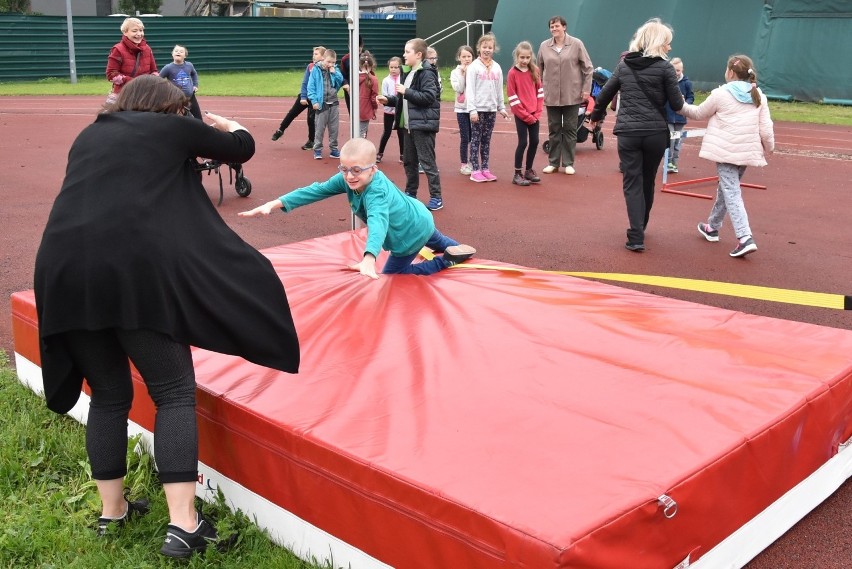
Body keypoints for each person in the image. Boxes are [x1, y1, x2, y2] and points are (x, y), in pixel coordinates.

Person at [33, 75, 300, 558]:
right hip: (131, 272)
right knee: (173, 391)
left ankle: (111, 512)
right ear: (167, 110)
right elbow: (241, 147)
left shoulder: (92, 132)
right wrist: (224, 123)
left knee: (109, 394)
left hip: (63, 270)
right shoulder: (172, 129)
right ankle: (184, 525)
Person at [238, 138, 475, 277]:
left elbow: (378, 222)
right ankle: (458, 251)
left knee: (394, 275)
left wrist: (369, 257)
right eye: (344, 169)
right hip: (420, 218)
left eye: (356, 170)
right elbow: (315, 190)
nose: (349, 176)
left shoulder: (376, 192)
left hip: (409, 234)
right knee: (439, 241)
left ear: (373, 169)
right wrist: (276, 203)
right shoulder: (347, 178)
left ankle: (445, 262)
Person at [588, 18, 684, 252]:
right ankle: (642, 225)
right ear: (658, 43)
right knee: (647, 180)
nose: (670, 48)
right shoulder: (666, 68)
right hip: (655, 133)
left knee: (632, 182)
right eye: (667, 43)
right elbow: (676, 103)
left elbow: (604, 95)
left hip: (629, 132)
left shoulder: (624, 66)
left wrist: (595, 116)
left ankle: (635, 234)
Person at [679, 54, 774, 258]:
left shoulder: (721, 94)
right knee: (727, 188)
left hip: (725, 153)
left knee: (731, 192)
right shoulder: (759, 95)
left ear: (730, 72)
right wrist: (770, 147)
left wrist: (679, 104)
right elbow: (766, 129)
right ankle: (712, 227)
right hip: (746, 152)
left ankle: (744, 237)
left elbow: (698, 113)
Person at [376, 38, 444, 211]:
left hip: (422, 125)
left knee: (427, 162)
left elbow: (429, 97)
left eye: (407, 52)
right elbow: (404, 100)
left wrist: (406, 91)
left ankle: (436, 197)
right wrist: (389, 100)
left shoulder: (427, 73)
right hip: (408, 126)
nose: (404, 55)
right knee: (409, 162)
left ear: (419, 54)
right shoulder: (407, 72)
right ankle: (411, 193)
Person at [537, 15, 593, 175]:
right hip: (552, 94)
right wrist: (540, 89)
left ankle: (568, 163)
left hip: (572, 94)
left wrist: (586, 90)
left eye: (557, 26)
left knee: (570, 128)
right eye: (552, 27)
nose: (554, 29)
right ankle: (553, 163)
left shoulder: (576, 44)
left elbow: (588, 68)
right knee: (554, 128)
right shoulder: (544, 46)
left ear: (564, 27)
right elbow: (539, 69)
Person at [465, 33, 510, 183]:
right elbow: (470, 89)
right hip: (478, 109)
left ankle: (485, 168)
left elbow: (499, 89)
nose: (487, 50)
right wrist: (472, 110)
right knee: (476, 139)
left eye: (490, 47)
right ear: (479, 48)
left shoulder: (496, 67)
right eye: (484, 47)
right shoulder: (473, 67)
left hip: (491, 110)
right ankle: (475, 170)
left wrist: (501, 107)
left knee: (486, 140)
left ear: (494, 49)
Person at [272, 46, 325, 149]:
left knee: (311, 119)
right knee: (292, 113)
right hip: (306, 96)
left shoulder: (325, 69)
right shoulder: (310, 67)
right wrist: (303, 97)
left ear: (323, 57)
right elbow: (305, 83)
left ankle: (311, 141)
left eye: (316, 54)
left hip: (316, 99)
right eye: (313, 54)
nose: (313, 56)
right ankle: (280, 130)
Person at [507, 41, 544, 186]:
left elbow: (540, 92)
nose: (524, 61)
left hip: (534, 114)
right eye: (522, 57)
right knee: (523, 142)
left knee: (535, 141)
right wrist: (526, 116)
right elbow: (512, 97)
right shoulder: (512, 73)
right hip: (522, 115)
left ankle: (529, 170)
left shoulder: (535, 70)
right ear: (517, 56)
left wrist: (537, 112)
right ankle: (517, 173)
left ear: (531, 57)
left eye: (527, 58)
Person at [105, 17, 158, 107]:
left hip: (144, 95)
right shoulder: (117, 49)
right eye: (134, 31)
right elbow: (111, 74)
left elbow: (154, 71)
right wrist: (135, 82)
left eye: (141, 30)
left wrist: (151, 82)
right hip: (124, 96)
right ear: (125, 32)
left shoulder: (147, 49)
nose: (139, 34)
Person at [307, 48, 344, 160]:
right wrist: (314, 101)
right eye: (329, 62)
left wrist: (335, 73)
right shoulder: (316, 70)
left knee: (334, 128)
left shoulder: (335, 70)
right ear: (323, 59)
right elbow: (311, 87)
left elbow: (340, 81)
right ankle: (317, 149)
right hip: (321, 104)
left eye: (333, 62)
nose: (331, 64)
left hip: (334, 102)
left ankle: (334, 149)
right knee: (319, 128)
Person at [665, 57, 695, 173]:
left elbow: (691, 97)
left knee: (677, 141)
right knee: (670, 140)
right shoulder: (666, 82)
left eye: (678, 70)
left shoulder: (687, 83)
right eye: (673, 70)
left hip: (680, 118)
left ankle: (674, 163)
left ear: (682, 70)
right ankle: (668, 163)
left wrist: (686, 104)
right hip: (668, 118)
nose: (676, 73)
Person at [450, 45, 475, 176]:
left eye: (469, 56)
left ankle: (473, 161)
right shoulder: (455, 72)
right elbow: (459, 88)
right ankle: (464, 163)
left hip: (475, 109)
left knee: (474, 137)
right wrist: (463, 74)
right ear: (459, 58)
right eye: (463, 56)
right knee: (465, 137)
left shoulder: (476, 70)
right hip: (461, 109)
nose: (466, 59)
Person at [159, 44, 201, 119]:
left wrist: (195, 85)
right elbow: (159, 79)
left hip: (190, 97)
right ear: (172, 54)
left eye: (181, 51)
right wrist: (166, 89)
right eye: (176, 51)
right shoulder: (168, 68)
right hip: (176, 98)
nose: (178, 52)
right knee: (176, 117)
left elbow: (194, 74)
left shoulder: (189, 65)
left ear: (185, 55)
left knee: (198, 116)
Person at [377, 56, 405, 164]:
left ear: (400, 67)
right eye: (391, 67)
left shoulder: (402, 79)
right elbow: (385, 96)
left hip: (400, 111)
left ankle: (403, 155)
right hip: (389, 111)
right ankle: (380, 153)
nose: (393, 69)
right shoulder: (386, 81)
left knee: (401, 133)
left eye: (396, 67)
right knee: (387, 132)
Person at [358, 50, 379, 138]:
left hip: (356, 109)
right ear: (372, 65)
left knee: (357, 130)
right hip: (366, 109)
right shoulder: (373, 79)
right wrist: (375, 108)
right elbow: (374, 97)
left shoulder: (354, 77)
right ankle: (360, 150)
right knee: (362, 132)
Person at [340, 34, 364, 113]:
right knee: (352, 113)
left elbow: (371, 74)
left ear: (361, 47)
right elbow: (342, 76)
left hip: (363, 91)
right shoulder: (345, 59)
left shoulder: (365, 58)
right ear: (349, 46)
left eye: (358, 47)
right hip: (349, 91)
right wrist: (346, 84)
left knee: (362, 113)